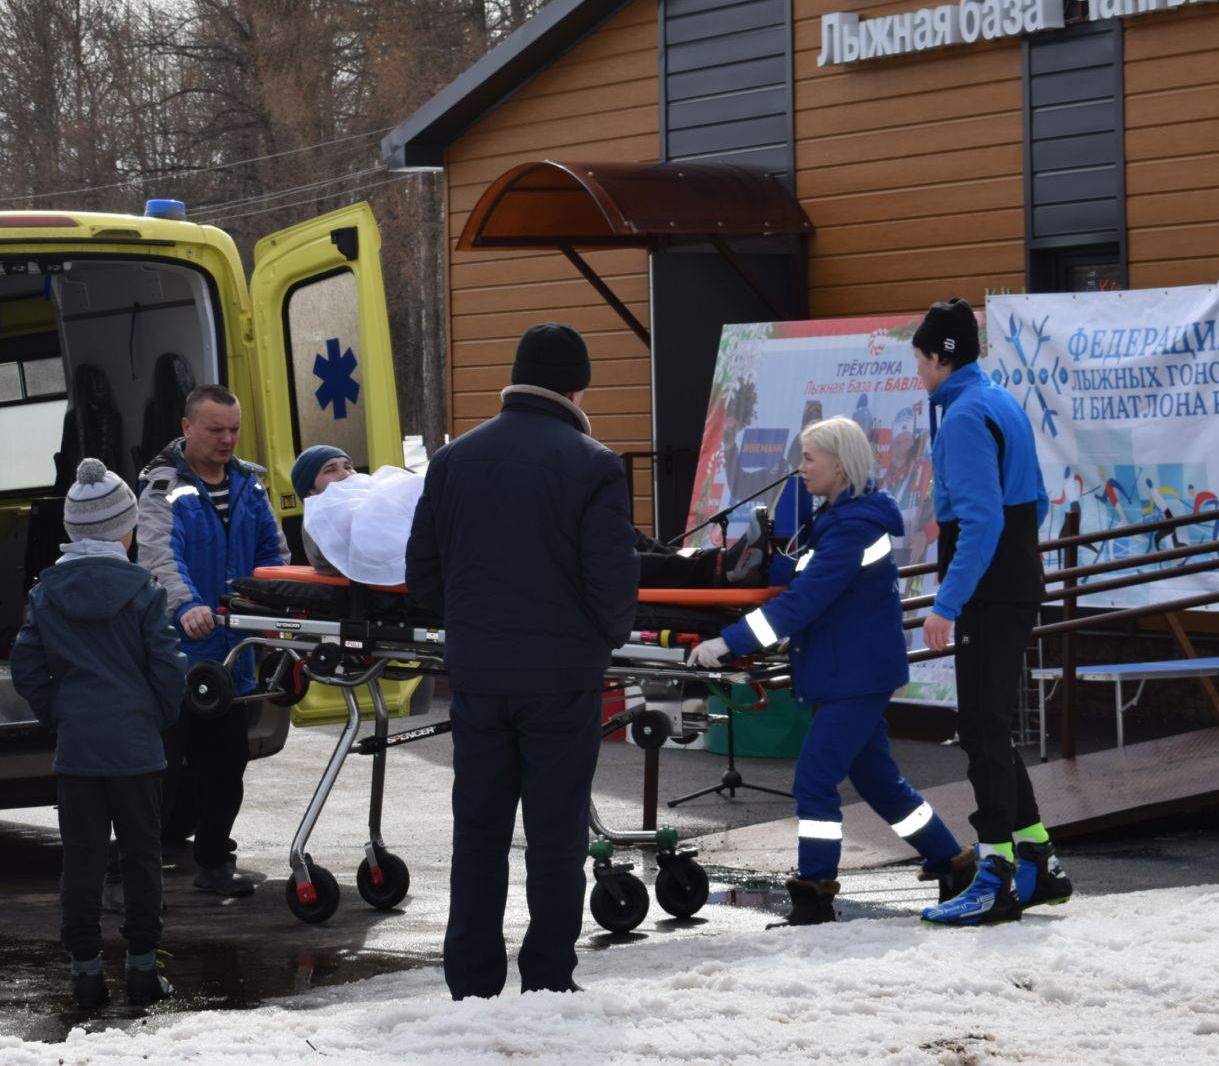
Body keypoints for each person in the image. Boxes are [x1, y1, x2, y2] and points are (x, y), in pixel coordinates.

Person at [405, 323, 638, 998]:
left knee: (477, 829)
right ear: (577, 386)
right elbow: (612, 586)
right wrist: (599, 639)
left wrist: (471, 624)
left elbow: (423, 578)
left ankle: (471, 982)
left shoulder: (452, 460)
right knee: (555, 834)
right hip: (563, 677)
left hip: (476, 674)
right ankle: (546, 977)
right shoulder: (593, 463)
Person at [692, 417, 972, 925]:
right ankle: (952, 862)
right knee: (881, 783)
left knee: (815, 781)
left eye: (809, 459)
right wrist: (754, 560)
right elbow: (805, 574)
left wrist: (728, 643)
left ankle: (814, 894)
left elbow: (806, 600)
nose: (800, 469)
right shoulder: (841, 521)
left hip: (855, 676)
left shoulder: (851, 527)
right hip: (853, 672)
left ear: (838, 465)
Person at [909, 299, 1075, 926]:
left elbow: (978, 520)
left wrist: (946, 603)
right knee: (992, 724)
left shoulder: (964, 417)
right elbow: (1029, 502)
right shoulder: (1000, 400)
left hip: (988, 584)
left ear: (939, 356)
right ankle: (1036, 859)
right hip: (1014, 575)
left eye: (920, 358)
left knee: (980, 725)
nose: (918, 371)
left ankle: (995, 873)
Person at [10, 457, 187, 1009]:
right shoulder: (142, 588)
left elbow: (26, 668)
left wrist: (59, 713)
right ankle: (141, 969)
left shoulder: (47, 591)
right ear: (125, 529)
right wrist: (154, 715)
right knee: (140, 856)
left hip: (79, 749)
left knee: (81, 861)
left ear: (72, 530)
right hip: (136, 747)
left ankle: (85, 973)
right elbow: (167, 666)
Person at [135, 385, 289, 897]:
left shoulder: (250, 486)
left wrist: (276, 609)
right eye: (215, 429)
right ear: (187, 428)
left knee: (226, 766)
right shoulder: (163, 487)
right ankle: (129, 872)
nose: (227, 440)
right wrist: (186, 605)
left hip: (232, 658)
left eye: (234, 430)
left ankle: (215, 861)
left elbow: (273, 552)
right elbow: (158, 557)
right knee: (158, 773)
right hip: (178, 657)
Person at [290, 444, 353, 573]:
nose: (346, 474)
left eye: (348, 467)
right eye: (330, 470)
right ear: (310, 490)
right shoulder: (318, 523)